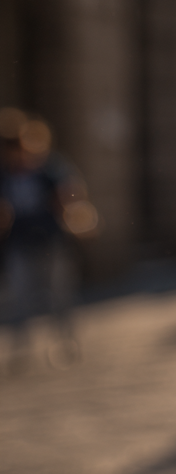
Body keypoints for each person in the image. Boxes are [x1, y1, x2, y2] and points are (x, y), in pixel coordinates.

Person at [0, 108, 93, 368]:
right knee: (19, 296)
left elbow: (73, 193)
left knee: (59, 294)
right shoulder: (5, 175)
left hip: (51, 240)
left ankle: (66, 342)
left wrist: (70, 207)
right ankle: (21, 348)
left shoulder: (49, 170)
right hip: (20, 242)